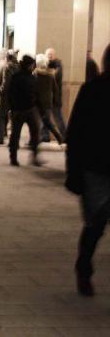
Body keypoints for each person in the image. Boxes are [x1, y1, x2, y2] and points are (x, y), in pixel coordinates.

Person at [66, 44, 110, 297]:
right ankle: (84, 266)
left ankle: (84, 267)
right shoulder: (92, 90)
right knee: (95, 223)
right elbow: (76, 134)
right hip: (96, 169)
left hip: (94, 168)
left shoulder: (91, 90)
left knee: (95, 224)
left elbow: (74, 134)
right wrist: (75, 173)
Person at [7, 55, 42, 167]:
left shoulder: (19, 76)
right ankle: (20, 156)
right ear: (29, 65)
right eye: (32, 65)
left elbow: (10, 93)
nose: (33, 67)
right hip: (24, 110)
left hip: (23, 109)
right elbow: (36, 94)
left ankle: (16, 157)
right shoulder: (26, 77)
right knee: (26, 133)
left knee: (18, 134)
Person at [34, 54, 64, 145]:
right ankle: (59, 137)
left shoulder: (35, 74)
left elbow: (33, 88)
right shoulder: (51, 75)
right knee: (47, 122)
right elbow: (55, 90)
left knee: (35, 122)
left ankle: (35, 139)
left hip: (37, 102)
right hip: (47, 102)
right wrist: (56, 101)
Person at [43, 47, 67, 142]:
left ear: (54, 55)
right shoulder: (46, 65)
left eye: (51, 54)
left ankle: (65, 136)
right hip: (47, 97)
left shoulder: (58, 65)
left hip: (55, 97)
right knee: (45, 117)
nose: (49, 56)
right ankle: (45, 136)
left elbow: (54, 75)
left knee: (58, 118)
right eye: (48, 55)